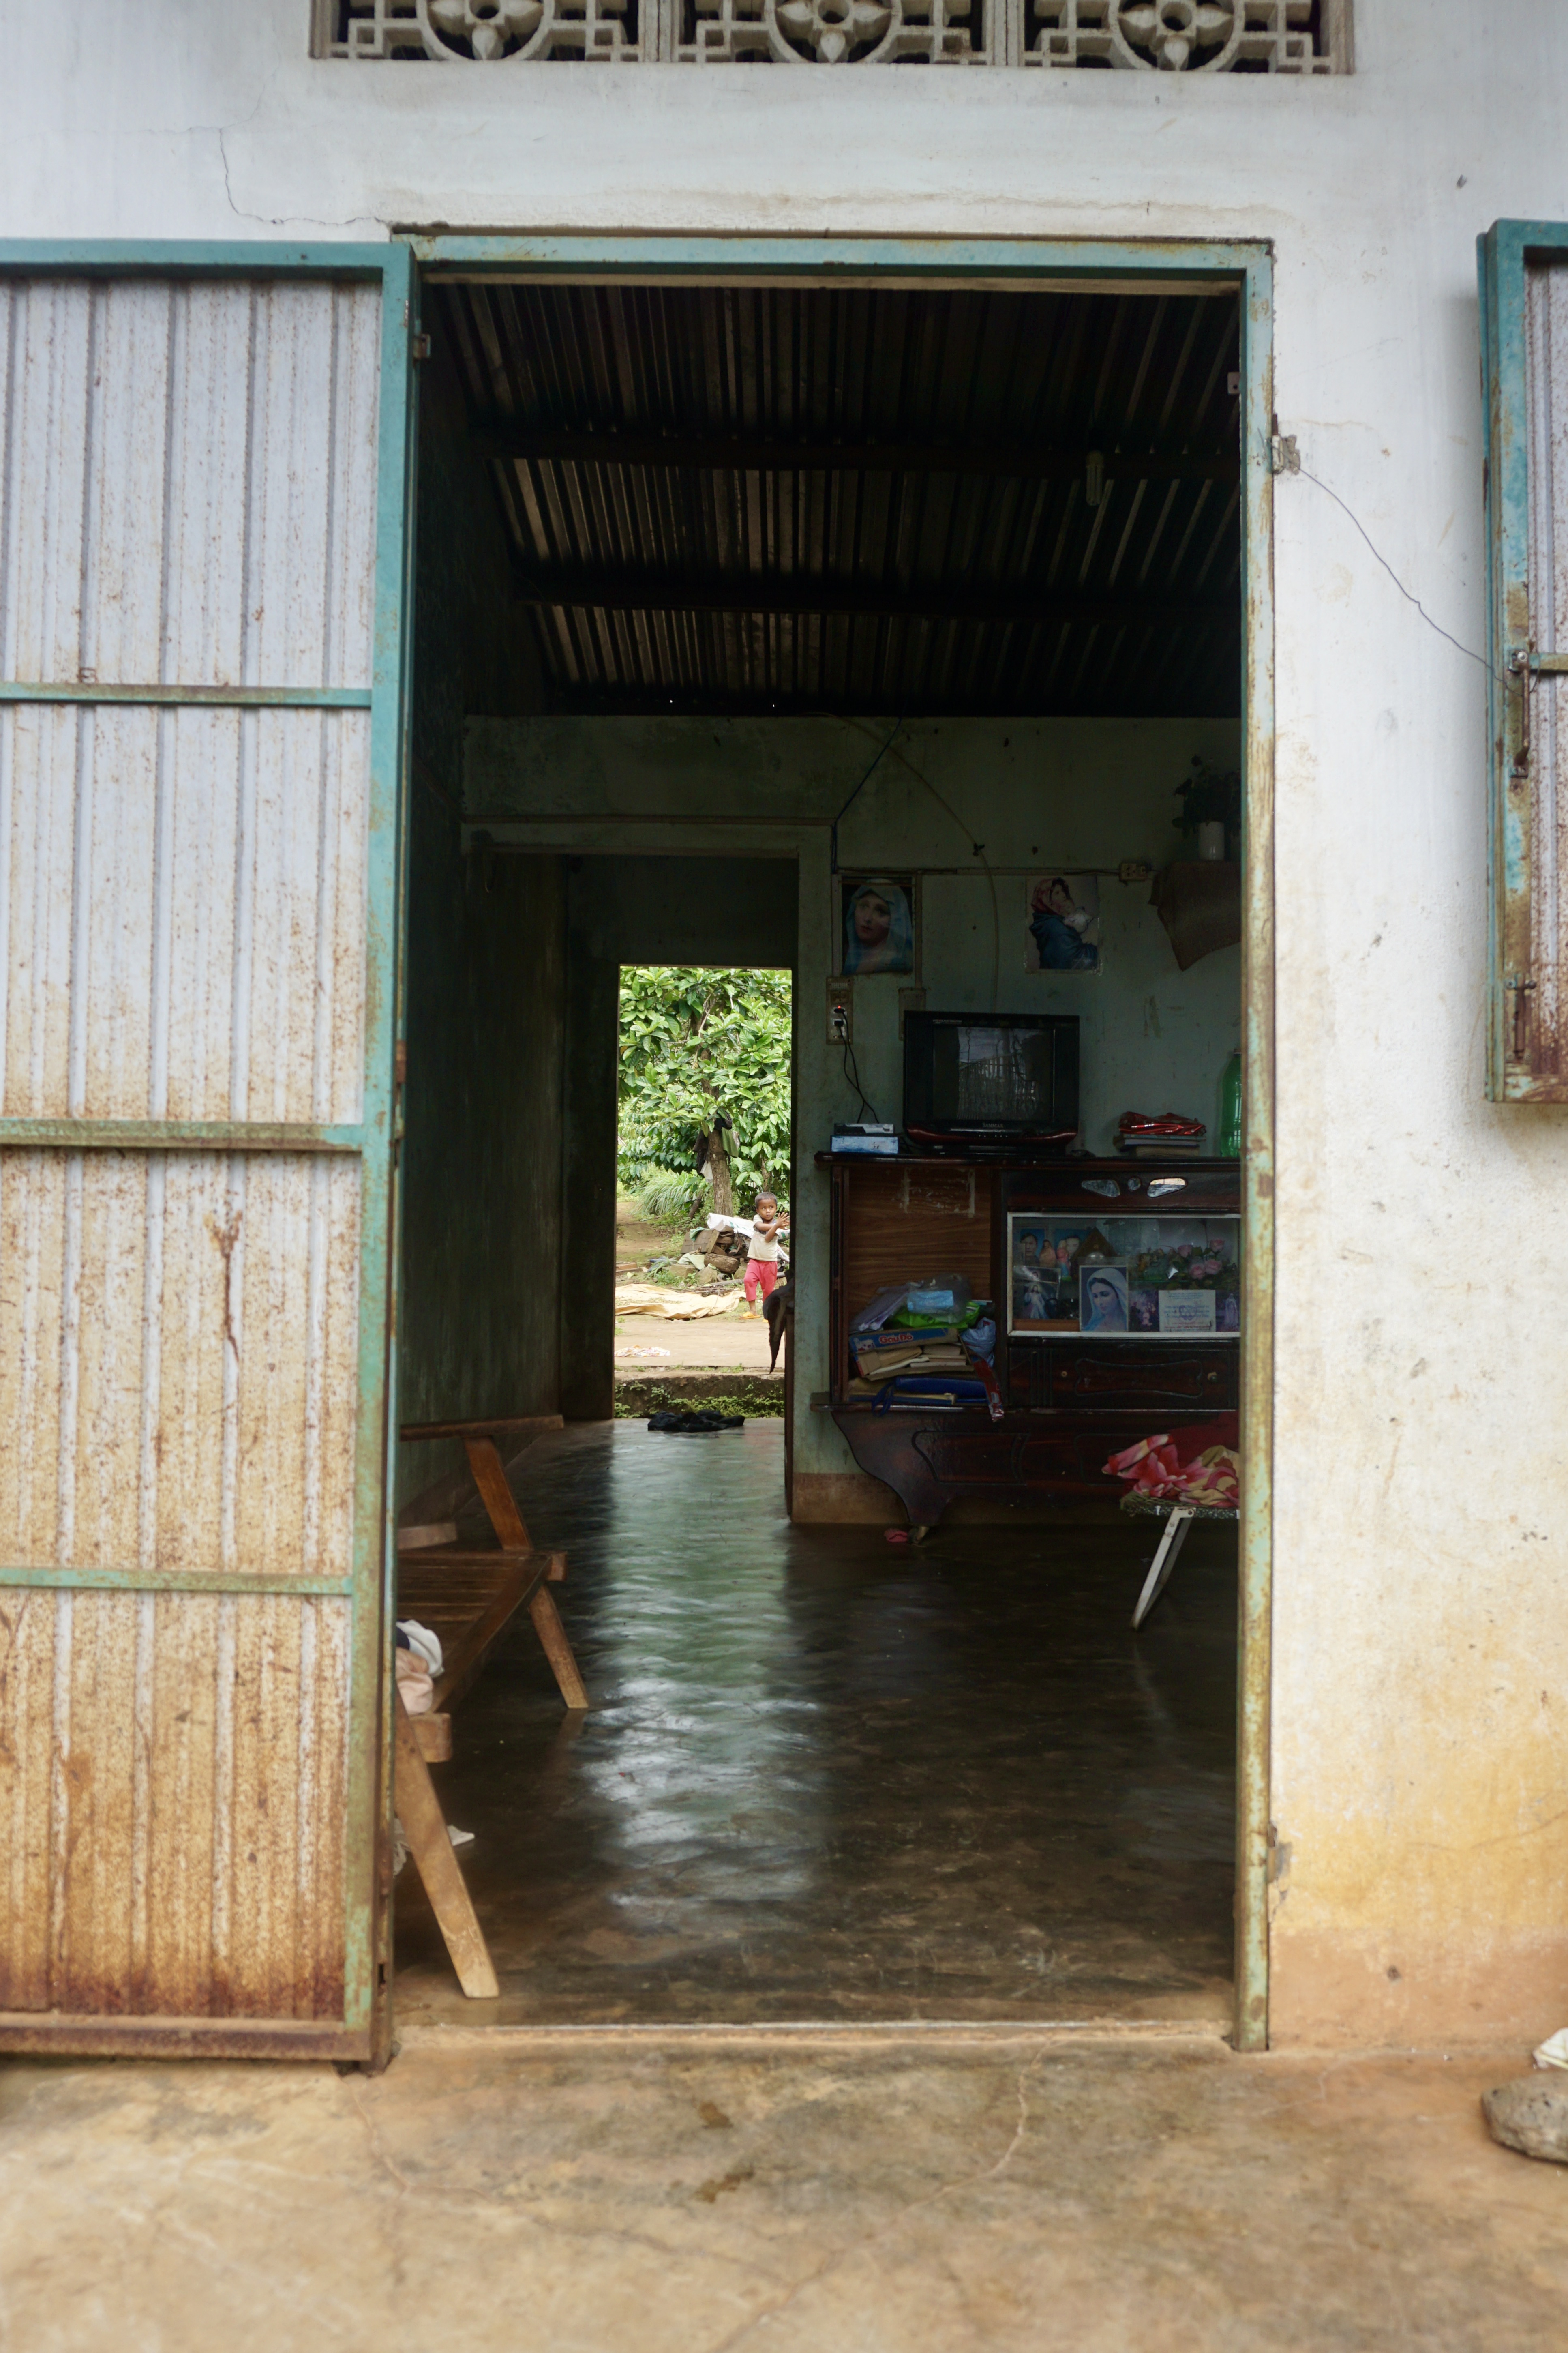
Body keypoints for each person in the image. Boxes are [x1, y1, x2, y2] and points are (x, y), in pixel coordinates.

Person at [842, 880, 914, 976]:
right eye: (863, 906)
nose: (868, 918)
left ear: (895, 920)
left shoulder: (903, 961)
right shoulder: (848, 957)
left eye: (881, 911)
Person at [1029, 876, 1099, 972]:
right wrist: (1098, 950)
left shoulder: (1053, 921)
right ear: (1048, 902)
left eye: (1063, 891)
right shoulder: (1054, 926)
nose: (1064, 895)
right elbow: (1074, 960)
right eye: (1057, 893)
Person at [744, 1190, 787, 1316]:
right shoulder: (758, 1219)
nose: (768, 1211)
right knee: (748, 1281)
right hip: (755, 1260)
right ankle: (753, 1311)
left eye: (771, 1208)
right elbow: (760, 1227)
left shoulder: (778, 1225)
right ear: (758, 1210)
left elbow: (768, 1238)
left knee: (768, 1290)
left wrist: (777, 1226)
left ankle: (767, 1314)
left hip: (770, 1262)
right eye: (764, 1208)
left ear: (775, 1209)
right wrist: (778, 1226)